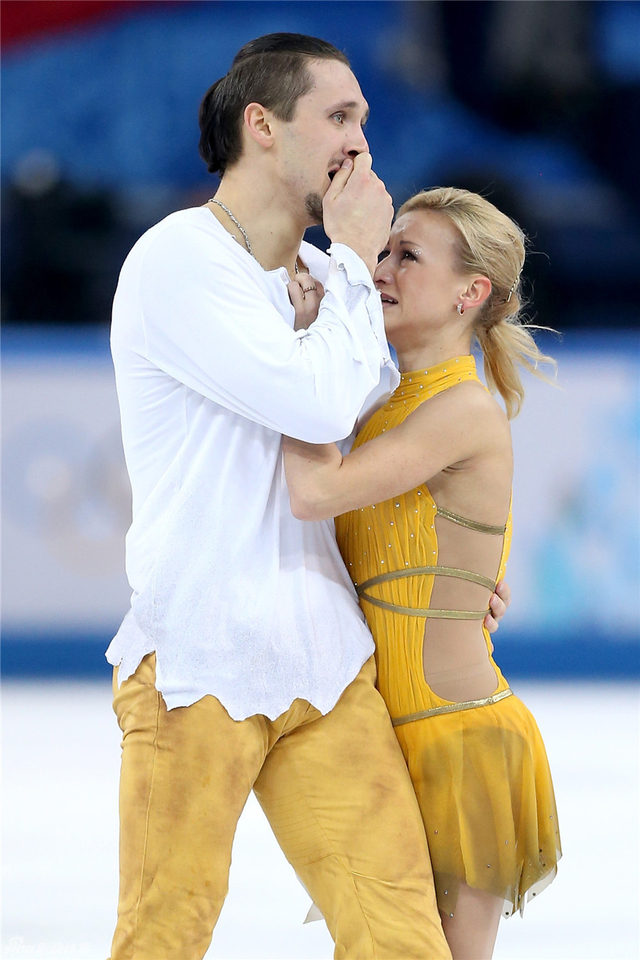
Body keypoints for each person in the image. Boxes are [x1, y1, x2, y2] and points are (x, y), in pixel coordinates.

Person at [105, 33, 512, 960]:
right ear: (262, 126)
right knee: (163, 937)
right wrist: (359, 256)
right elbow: (315, 402)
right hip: (198, 663)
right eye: (338, 116)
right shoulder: (178, 261)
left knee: (403, 939)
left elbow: (385, 455)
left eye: (364, 118)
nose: (361, 140)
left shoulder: (336, 282)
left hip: (327, 666)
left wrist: (463, 566)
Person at [283, 186, 562, 960]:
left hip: (455, 740)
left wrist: (301, 349)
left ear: (472, 293)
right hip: (382, 738)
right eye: (383, 249)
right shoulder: (382, 409)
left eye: (408, 255)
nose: (381, 269)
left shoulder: (463, 410)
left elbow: (315, 493)